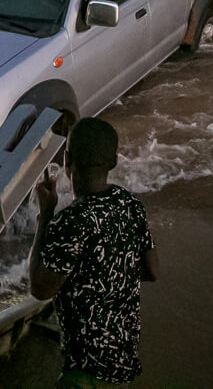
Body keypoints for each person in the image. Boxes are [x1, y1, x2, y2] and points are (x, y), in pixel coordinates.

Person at [29, 117, 158, 387]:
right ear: (112, 161)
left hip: (85, 372)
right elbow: (151, 270)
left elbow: (40, 288)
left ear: (67, 161)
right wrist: (107, 273)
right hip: (122, 365)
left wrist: (46, 215)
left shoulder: (72, 220)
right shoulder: (130, 204)